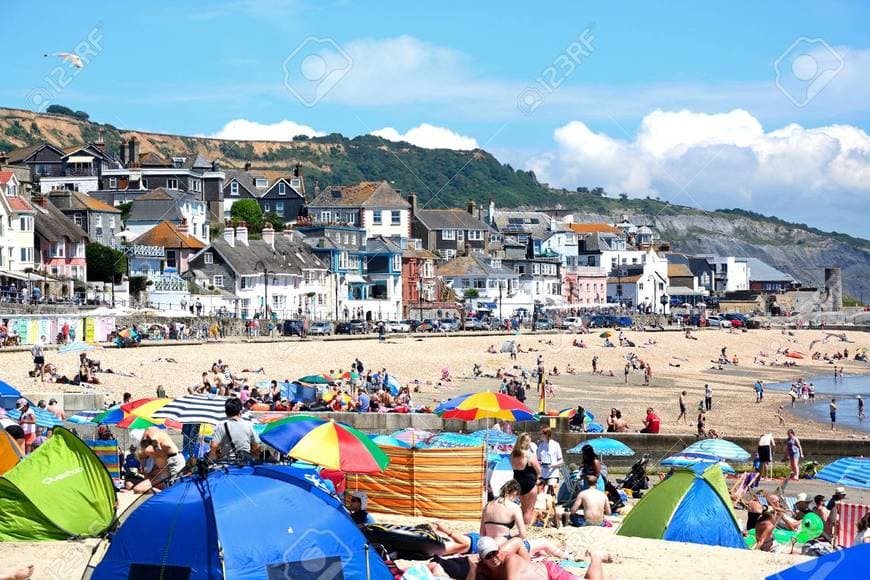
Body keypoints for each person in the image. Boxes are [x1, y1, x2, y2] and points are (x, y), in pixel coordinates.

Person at [474, 537, 611, 580]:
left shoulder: (509, 560)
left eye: (494, 552)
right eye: (488, 555)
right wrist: (528, 566)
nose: (493, 557)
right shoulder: (482, 568)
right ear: (482, 559)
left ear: (499, 550)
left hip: (550, 573)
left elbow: (517, 540)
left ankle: (596, 556)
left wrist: (526, 564)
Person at [133, 427, 185, 493]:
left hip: (175, 459)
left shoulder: (152, 434)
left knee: (175, 487)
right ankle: (164, 494)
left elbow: (155, 442)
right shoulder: (156, 435)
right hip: (174, 458)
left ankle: (164, 494)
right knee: (174, 486)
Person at [210, 397, 260, 463]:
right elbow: (256, 447)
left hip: (228, 463)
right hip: (245, 463)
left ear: (226, 412)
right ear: (240, 412)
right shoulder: (249, 425)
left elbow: (214, 446)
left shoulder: (222, 426)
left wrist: (214, 456)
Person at [509, 434, 540, 526]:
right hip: (529, 482)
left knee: (523, 508)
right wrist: (538, 478)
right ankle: (526, 528)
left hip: (517, 482)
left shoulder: (513, 454)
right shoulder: (528, 454)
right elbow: (538, 469)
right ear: (527, 442)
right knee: (529, 509)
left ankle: (521, 526)